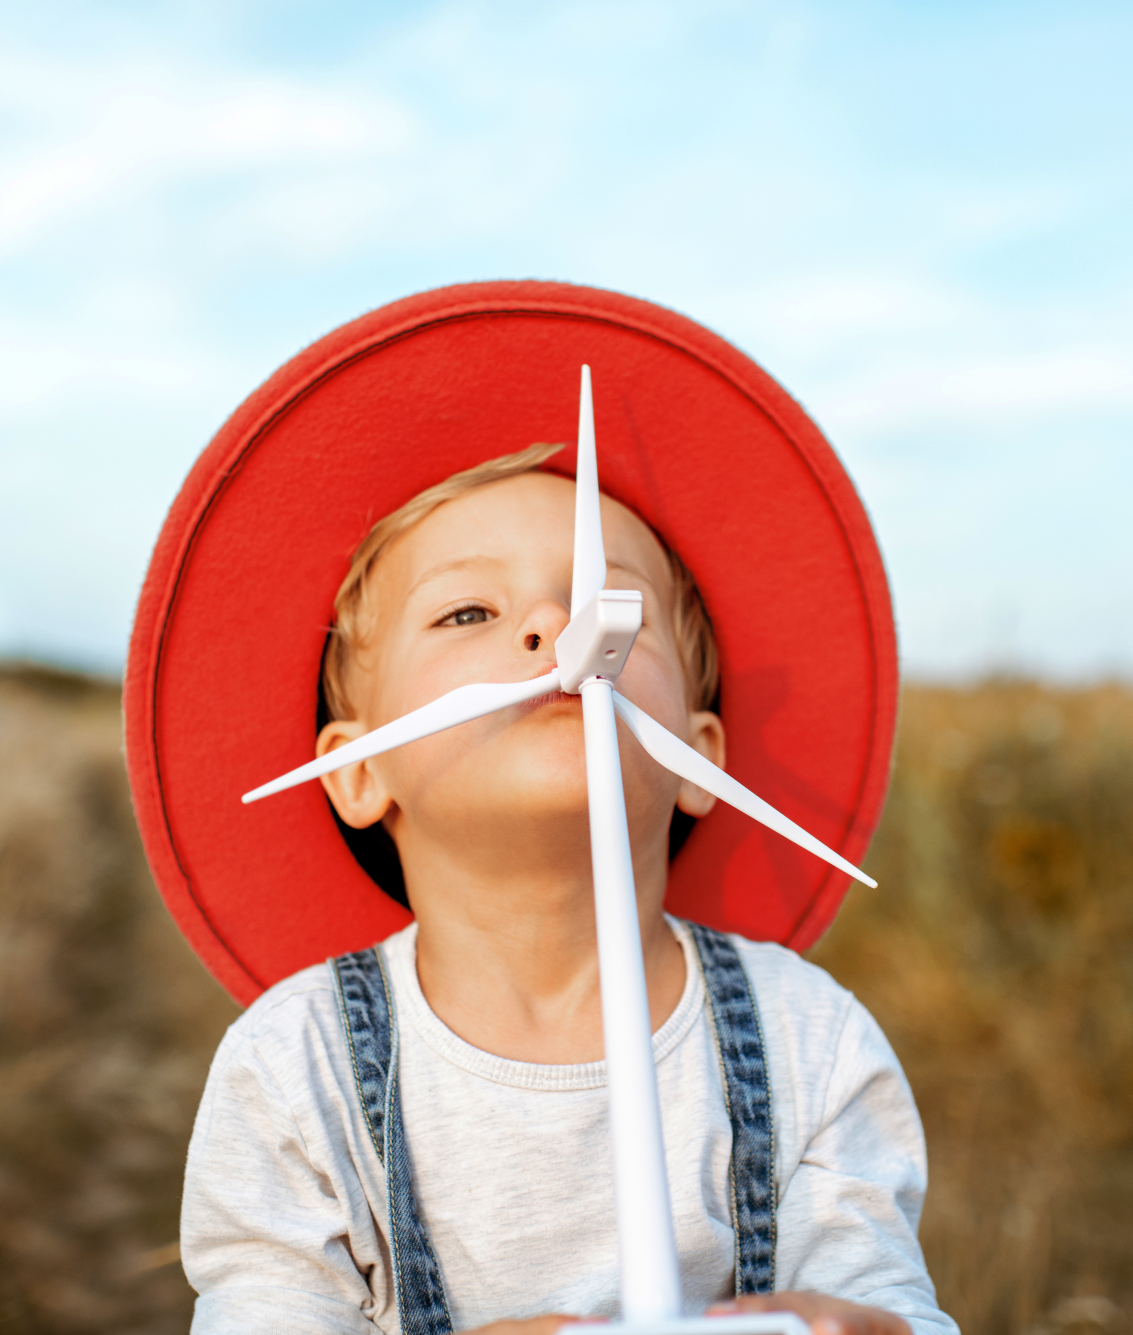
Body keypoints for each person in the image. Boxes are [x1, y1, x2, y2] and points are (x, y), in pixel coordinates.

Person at [178, 442, 957, 1335]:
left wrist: (870, 1327)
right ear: (360, 770)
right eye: (469, 610)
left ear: (700, 758)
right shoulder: (295, 1066)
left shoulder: (810, 1043)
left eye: (610, 606)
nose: (557, 622)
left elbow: (887, 1301)